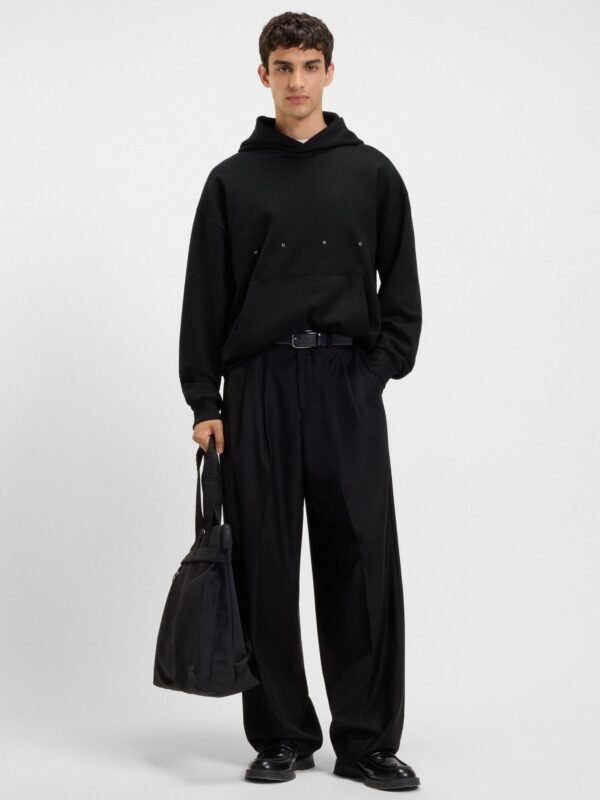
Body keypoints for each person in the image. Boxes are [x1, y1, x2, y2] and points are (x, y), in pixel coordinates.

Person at [178, 11, 423, 791]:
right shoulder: (231, 181)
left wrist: (373, 372)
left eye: (309, 65)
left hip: (346, 381)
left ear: (329, 72)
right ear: (263, 75)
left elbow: (402, 294)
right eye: (282, 66)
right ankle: (282, 734)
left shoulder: (372, 173)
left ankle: (367, 741)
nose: (296, 81)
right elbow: (205, 299)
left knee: (361, 561)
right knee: (264, 564)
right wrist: (205, 399)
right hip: (257, 388)